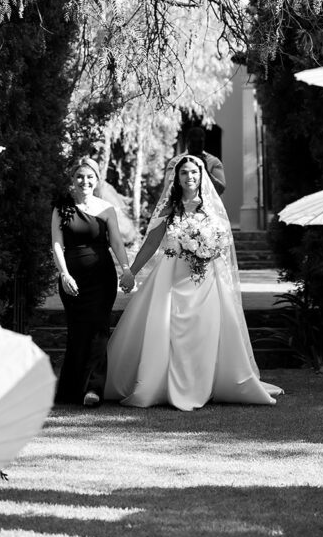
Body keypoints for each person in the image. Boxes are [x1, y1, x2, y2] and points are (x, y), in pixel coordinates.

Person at [105, 154, 281, 410]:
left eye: (195, 172)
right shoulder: (169, 208)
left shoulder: (211, 207)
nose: (190, 177)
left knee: (204, 332)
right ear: (177, 177)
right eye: (185, 172)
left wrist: (207, 249)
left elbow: (223, 244)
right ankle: (163, 384)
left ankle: (205, 384)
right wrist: (131, 272)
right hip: (171, 276)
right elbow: (152, 243)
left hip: (206, 280)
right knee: (167, 330)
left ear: (202, 176)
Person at [51, 156, 133, 407]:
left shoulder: (107, 209)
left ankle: (93, 389)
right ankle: (71, 388)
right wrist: (64, 274)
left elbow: (117, 242)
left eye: (90, 177)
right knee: (77, 332)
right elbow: (56, 244)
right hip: (72, 279)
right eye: (79, 176)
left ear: (97, 180)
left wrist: (126, 270)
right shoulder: (61, 208)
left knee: (98, 330)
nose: (84, 181)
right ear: (72, 179)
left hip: (101, 278)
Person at [164, 126, 226, 196]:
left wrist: (206, 172)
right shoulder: (175, 162)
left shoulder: (213, 162)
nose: (196, 146)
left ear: (203, 142)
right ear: (187, 141)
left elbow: (220, 190)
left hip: (207, 205)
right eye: (193, 143)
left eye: (199, 143)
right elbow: (168, 190)